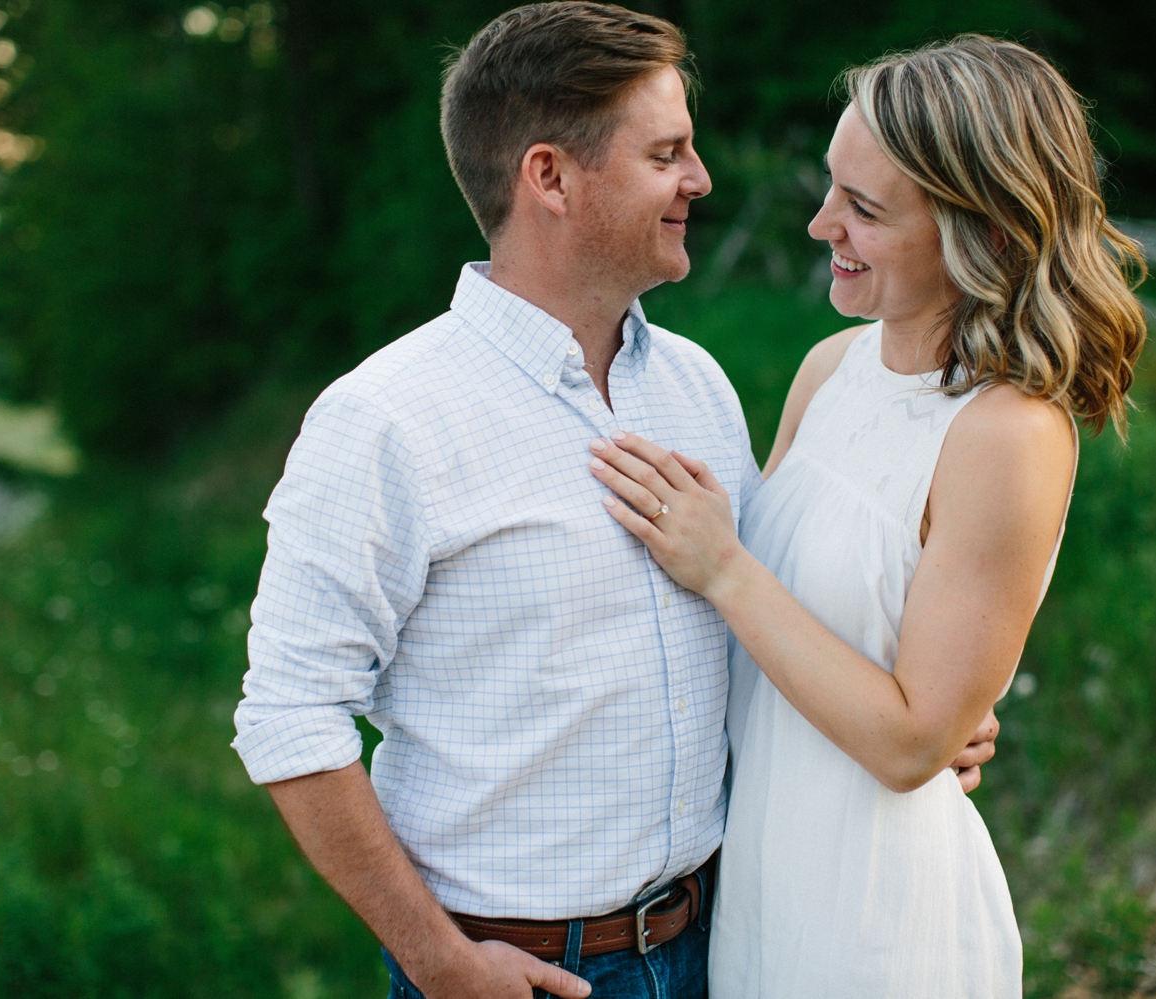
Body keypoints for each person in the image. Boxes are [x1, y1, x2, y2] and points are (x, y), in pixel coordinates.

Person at [232, 6, 997, 999]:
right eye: (667, 153)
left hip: (727, 940)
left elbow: (754, 614)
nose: (700, 179)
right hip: (519, 973)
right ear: (550, 177)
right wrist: (437, 960)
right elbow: (290, 717)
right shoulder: (386, 421)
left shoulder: (696, 386)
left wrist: (919, 704)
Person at [586, 34, 1147, 998]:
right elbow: (786, 636)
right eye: (830, 189)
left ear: (990, 234)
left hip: (879, 917)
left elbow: (905, 742)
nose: (819, 225)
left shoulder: (1008, 432)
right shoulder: (830, 369)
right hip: (760, 880)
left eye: (864, 208)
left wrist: (727, 569)